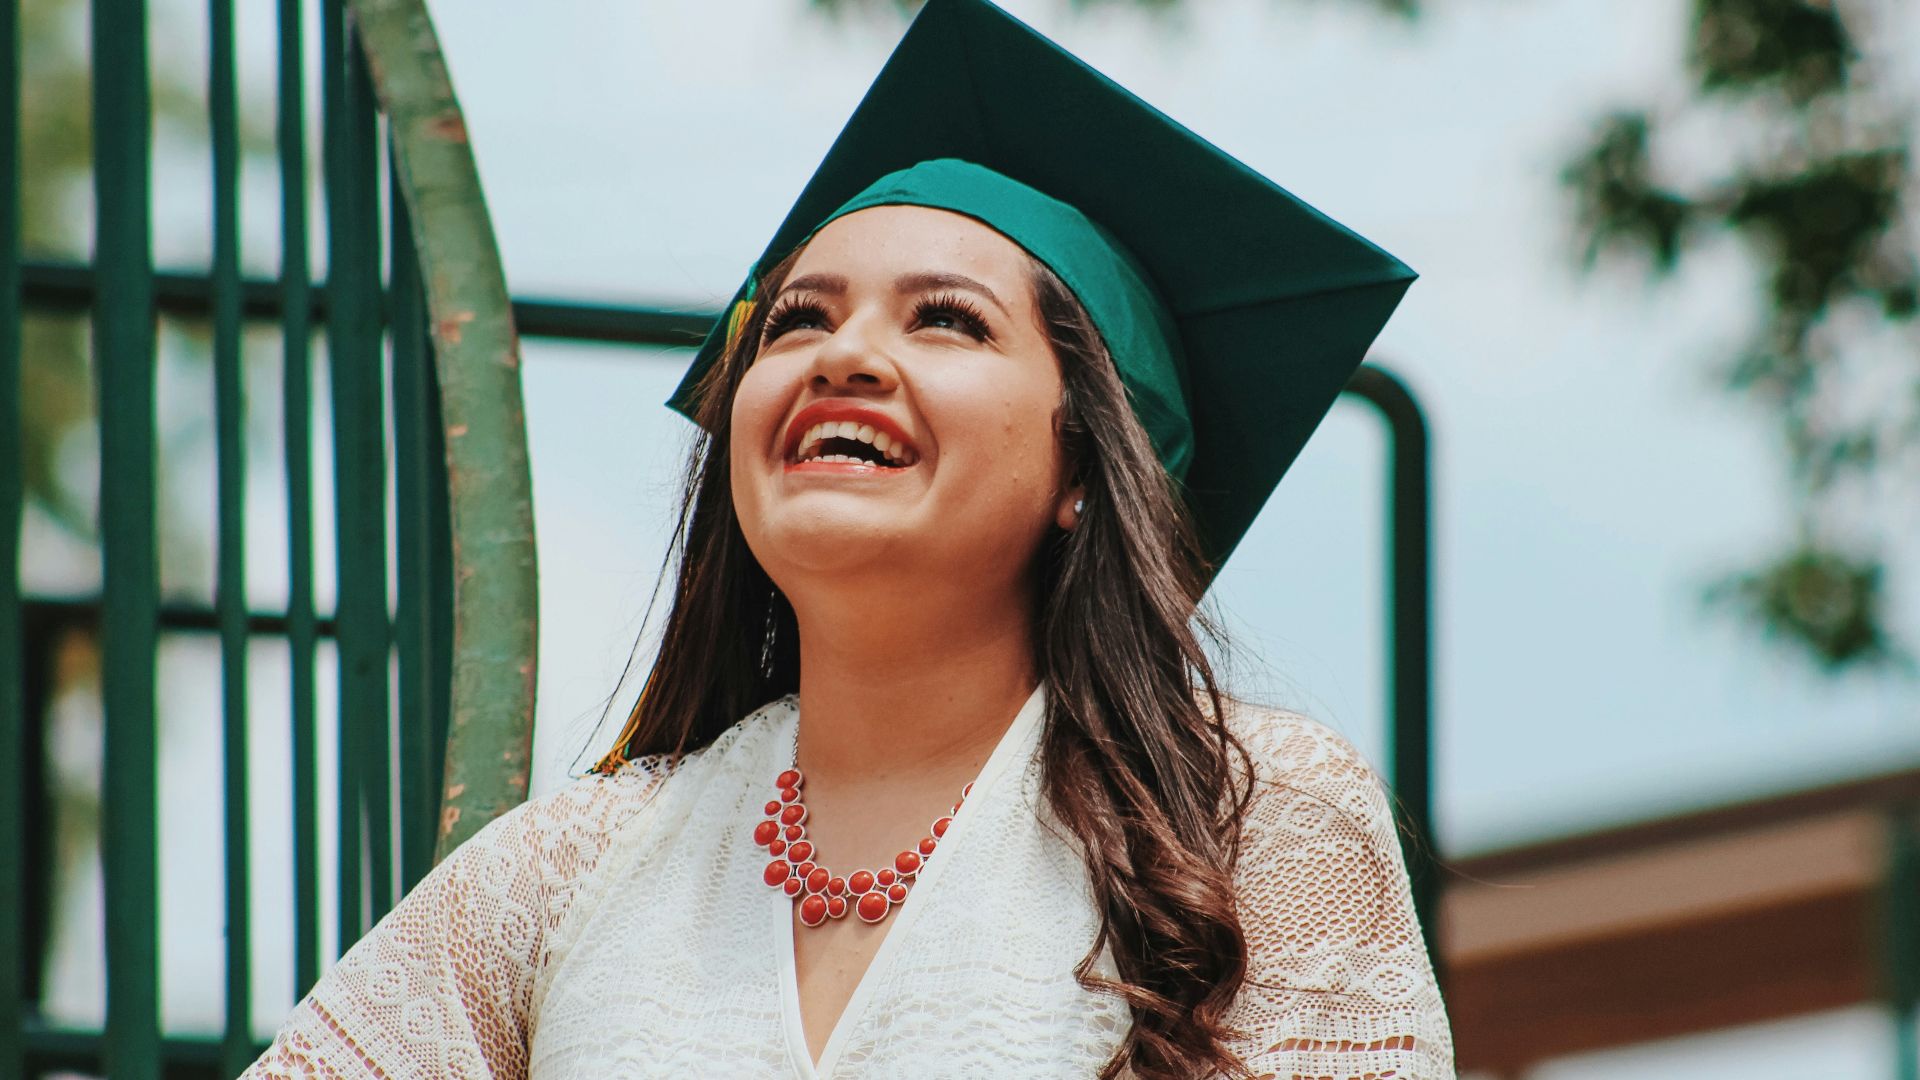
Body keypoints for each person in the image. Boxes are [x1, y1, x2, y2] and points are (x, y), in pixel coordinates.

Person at [245, 0, 1453, 1076]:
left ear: (1086, 463)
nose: (844, 354)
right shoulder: (573, 868)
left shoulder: (1248, 822)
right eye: (794, 322)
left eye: (946, 321)